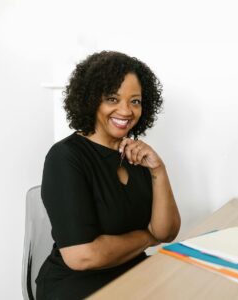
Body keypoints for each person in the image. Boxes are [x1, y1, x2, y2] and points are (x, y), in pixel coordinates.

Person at [35, 50, 181, 300]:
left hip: (133, 275)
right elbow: (82, 256)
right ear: (92, 100)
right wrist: (148, 236)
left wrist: (158, 169)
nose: (126, 111)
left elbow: (166, 232)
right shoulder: (65, 157)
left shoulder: (135, 154)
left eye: (135, 101)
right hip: (77, 286)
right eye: (112, 99)